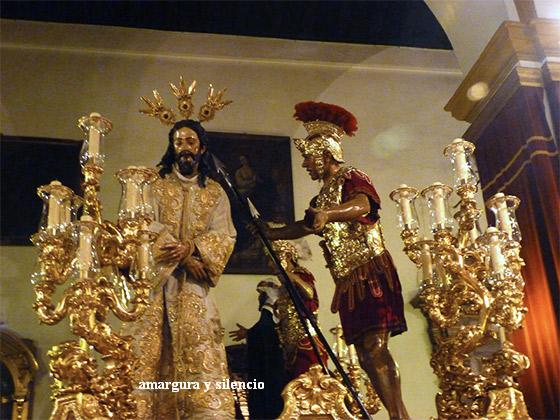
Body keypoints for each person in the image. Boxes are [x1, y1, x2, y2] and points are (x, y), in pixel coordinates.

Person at [262, 101, 410, 420]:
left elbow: (363, 204)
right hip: (347, 281)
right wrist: (272, 234)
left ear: (325, 153)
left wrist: (329, 215)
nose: (305, 165)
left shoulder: (351, 176)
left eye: (307, 158)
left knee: (375, 347)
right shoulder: (321, 197)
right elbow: (305, 225)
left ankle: (400, 416)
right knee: (362, 352)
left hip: (369, 270)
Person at [130, 118, 237, 419]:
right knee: (150, 353)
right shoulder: (154, 185)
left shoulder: (215, 192)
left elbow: (224, 234)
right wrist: (183, 257)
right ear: (172, 147)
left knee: (200, 351)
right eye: (179, 142)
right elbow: (142, 224)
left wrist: (193, 249)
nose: (185, 148)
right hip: (156, 286)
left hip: (193, 289)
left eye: (191, 142)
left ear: (202, 148)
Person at [269, 239, 327, 380]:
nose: (270, 264)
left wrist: (288, 274)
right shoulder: (282, 288)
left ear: (288, 257)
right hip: (289, 341)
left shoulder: (300, 274)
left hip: (304, 337)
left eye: (274, 259)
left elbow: (309, 293)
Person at [229, 278, 286, 419]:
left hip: (268, 374)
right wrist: (249, 333)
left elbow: (265, 332)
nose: (259, 298)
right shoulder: (270, 317)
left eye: (261, 295)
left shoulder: (268, 315)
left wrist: (248, 333)